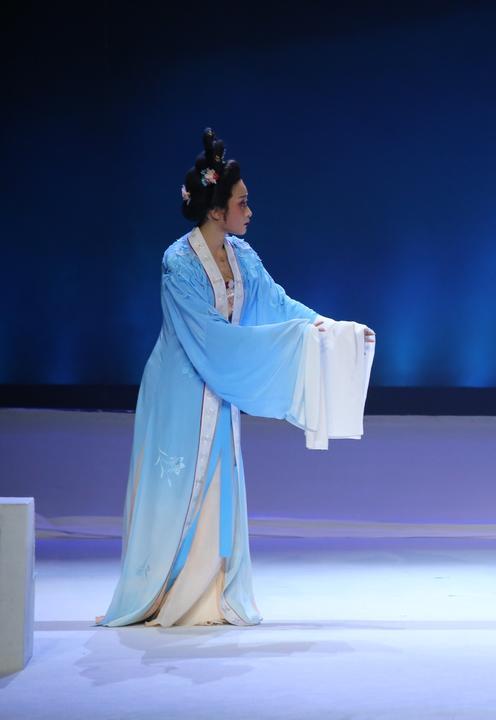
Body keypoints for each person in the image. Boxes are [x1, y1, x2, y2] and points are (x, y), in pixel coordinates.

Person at [99, 129, 374, 627]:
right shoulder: (177, 263)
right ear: (215, 210)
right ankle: (159, 590)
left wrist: (329, 329)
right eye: (242, 203)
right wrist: (292, 338)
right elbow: (209, 336)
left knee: (217, 486)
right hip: (180, 387)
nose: (250, 211)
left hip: (218, 389)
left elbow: (278, 303)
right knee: (174, 487)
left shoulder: (243, 256)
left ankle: (211, 594)